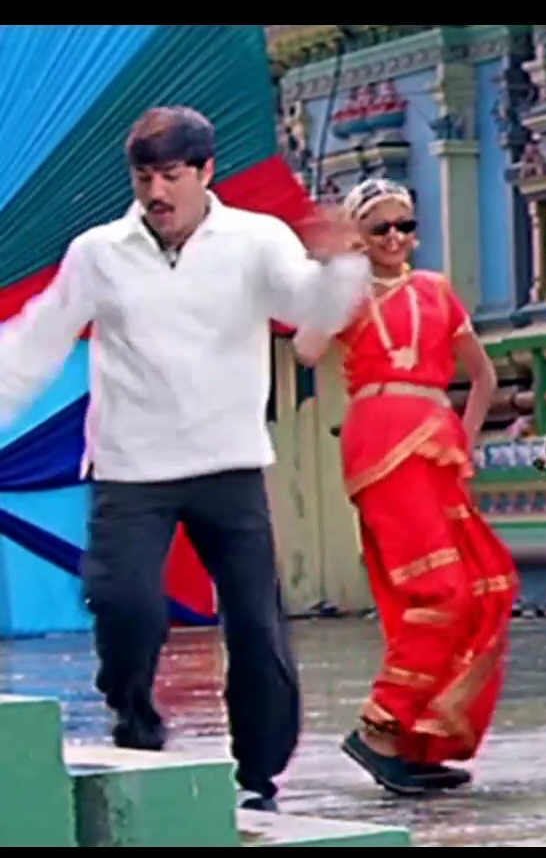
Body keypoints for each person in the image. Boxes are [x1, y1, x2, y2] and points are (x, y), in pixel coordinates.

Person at [0, 106, 367, 812]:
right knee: (124, 608)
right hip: (130, 467)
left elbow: (312, 309)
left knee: (256, 627)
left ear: (205, 171)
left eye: (171, 175)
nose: (157, 192)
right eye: (144, 177)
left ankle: (258, 776)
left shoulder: (256, 239)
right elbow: (37, 339)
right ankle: (135, 726)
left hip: (228, 462)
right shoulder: (99, 251)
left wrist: (338, 262)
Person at [293, 178, 516, 796]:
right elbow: (307, 350)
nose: (395, 237)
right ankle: (380, 727)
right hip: (382, 443)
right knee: (438, 591)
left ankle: (419, 738)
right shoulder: (349, 290)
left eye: (405, 225)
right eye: (380, 228)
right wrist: (334, 270)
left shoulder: (436, 289)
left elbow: (483, 376)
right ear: (361, 237)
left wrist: (465, 437)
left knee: (485, 584)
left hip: (437, 446)